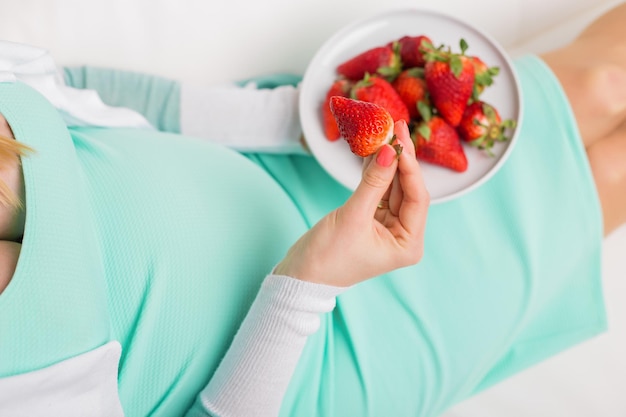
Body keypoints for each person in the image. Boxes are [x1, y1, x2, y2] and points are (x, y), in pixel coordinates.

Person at [0, 2, 624, 417]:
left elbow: (86, 94)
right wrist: (308, 282)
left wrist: (300, 120)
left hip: (284, 166)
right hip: (321, 352)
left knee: (603, 83)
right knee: (611, 172)